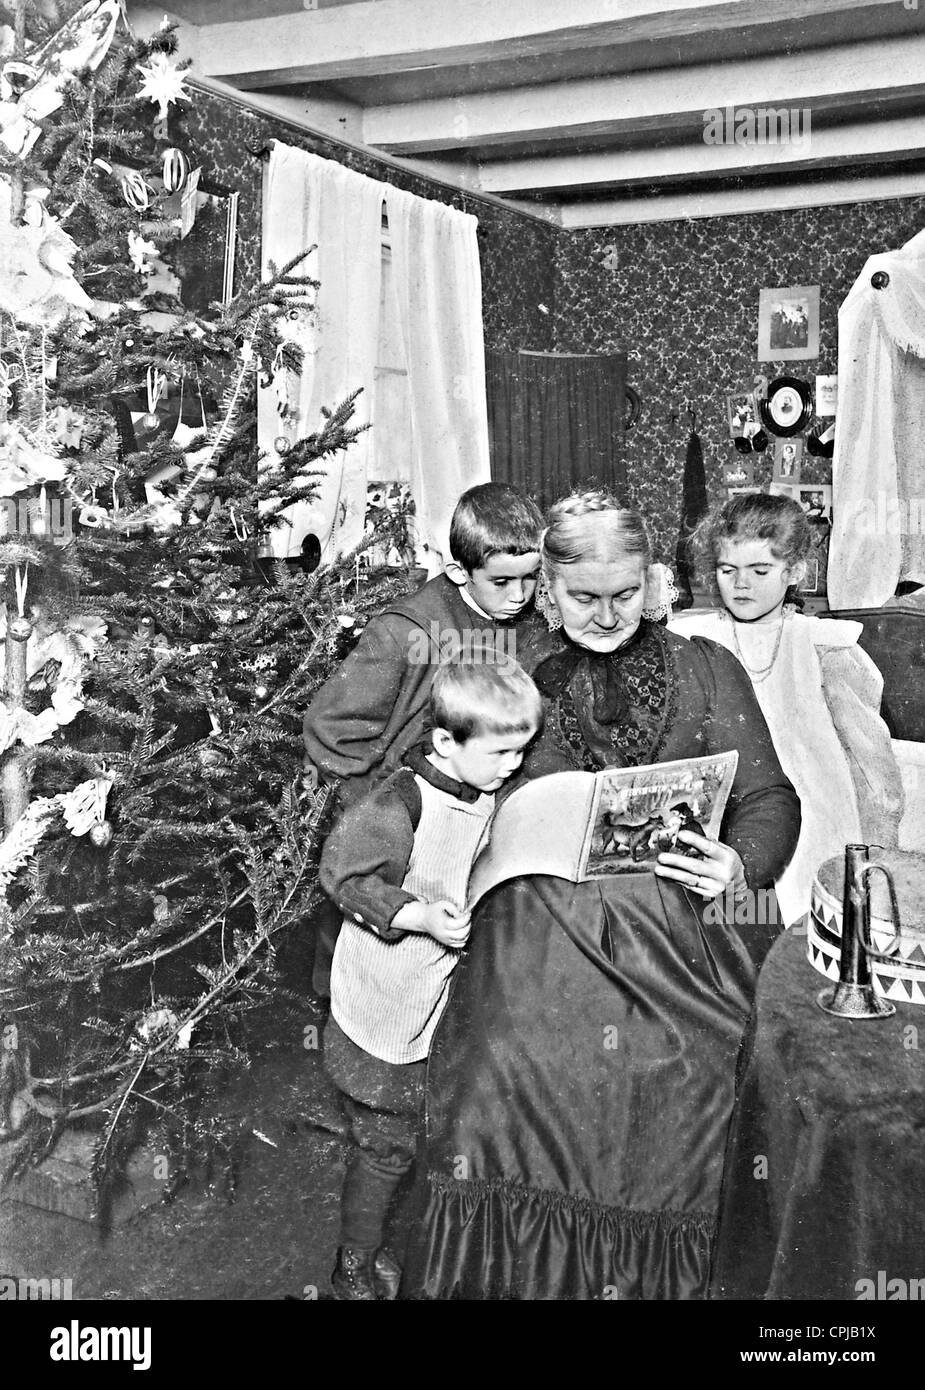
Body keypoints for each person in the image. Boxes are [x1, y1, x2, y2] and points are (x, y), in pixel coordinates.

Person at [400, 490, 800, 1301]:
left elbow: (770, 799)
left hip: (680, 922)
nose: (609, 615)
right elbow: (433, 783)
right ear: (545, 586)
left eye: (626, 594)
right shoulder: (502, 672)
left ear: (651, 581)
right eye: (584, 598)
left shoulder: (704, 667)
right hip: (539, 922)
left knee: (694, 1068)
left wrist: (739, 866)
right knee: (498, 1067)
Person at [318, 657, 543, 1300]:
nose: (512, 765)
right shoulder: (399, 804)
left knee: (437, 1130)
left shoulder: (483, 783)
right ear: (446, 743)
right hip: (388, 1005)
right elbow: (344, 877)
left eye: (520, 750)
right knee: (386, 1144)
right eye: (501, 752)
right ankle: (353, 1262)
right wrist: (415, 913)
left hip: (441, 994)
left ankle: (431, 1241)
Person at [303, 481, 543, 993]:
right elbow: (331, 728)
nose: (519, 596)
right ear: (459, 571)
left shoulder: (526, 624)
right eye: (502, 582)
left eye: (530, 579)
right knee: (369, 970)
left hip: (474, 815)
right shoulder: (401, 632)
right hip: (405, 819)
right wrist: (380, 811)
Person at [670, 492, 903, 925]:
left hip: (815, 815)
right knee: (730, 928)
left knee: (807, 935)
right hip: (728, 811)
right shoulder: (693, 639)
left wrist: (878, 852)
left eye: (760, 571)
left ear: (794, 571)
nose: (741, 585)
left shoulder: (824, 645)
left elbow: (873, 768)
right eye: (727, 570)